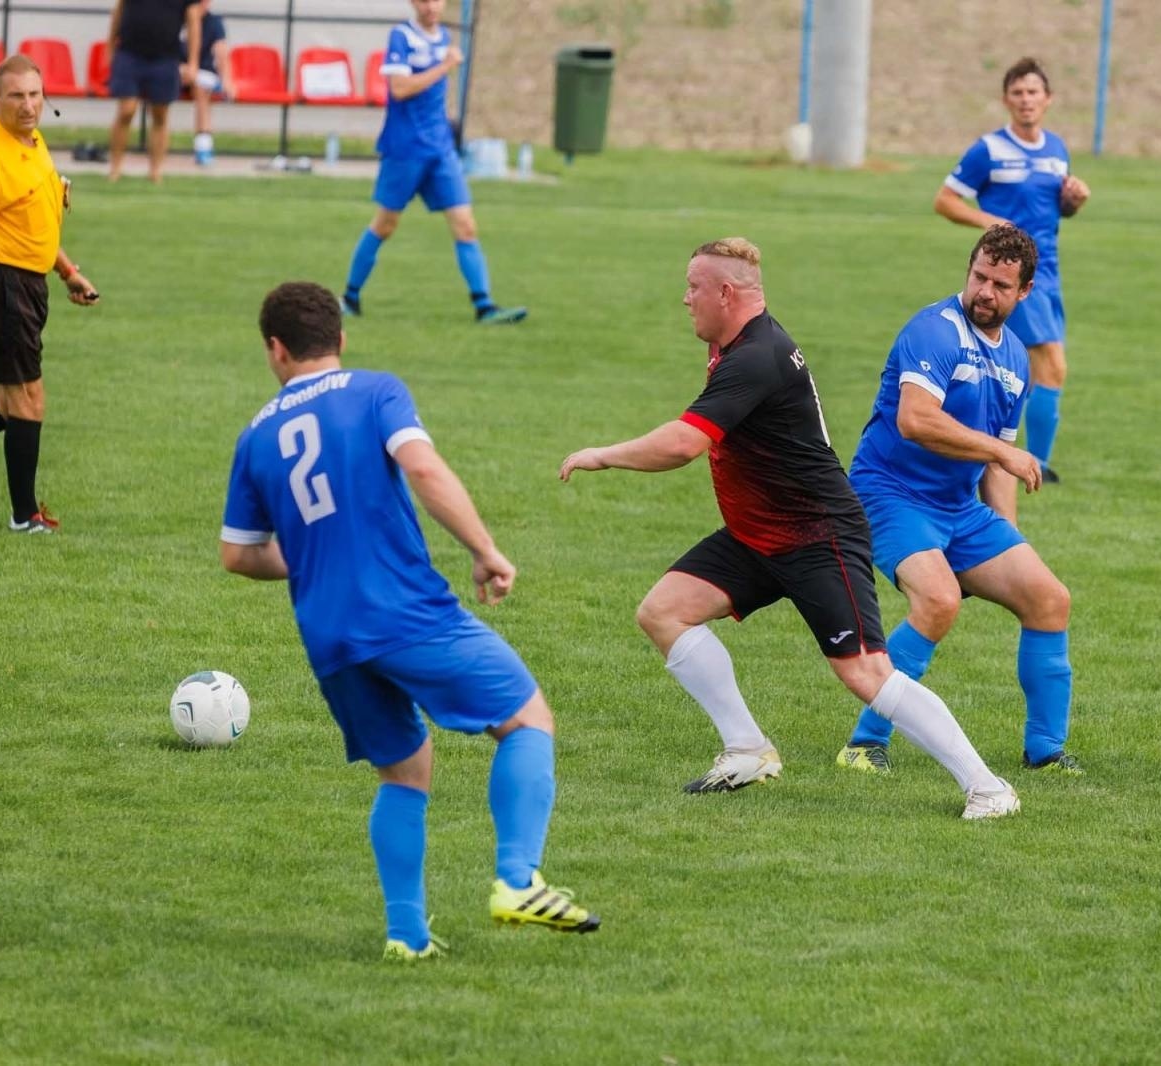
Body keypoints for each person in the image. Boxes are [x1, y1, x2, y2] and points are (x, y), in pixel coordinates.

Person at [559, 238, 1023, 820]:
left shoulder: (759, 356)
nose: (685, 299)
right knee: (663, 612)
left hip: (817, 535)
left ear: (726, 293)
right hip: (760, 533)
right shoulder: (736, 346)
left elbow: (684, 443)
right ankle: (748, 748)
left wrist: (603, 454)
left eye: (693, 288)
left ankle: (987, 787)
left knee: (866, 674)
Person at [219, 282, 598, 958]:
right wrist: (484, 550)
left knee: (405, 771)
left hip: (329, 634)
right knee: (527, 718)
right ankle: (517, 880)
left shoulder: (256, 436)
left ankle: (407, 936)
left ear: (275, 350)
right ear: (340, 339)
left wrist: (314, 555)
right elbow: (421, 466)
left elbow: (238, 555)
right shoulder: (373, 391)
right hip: (404, 610)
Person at [834, 225, 1079, 778]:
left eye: (1000, 284)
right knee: (940, 602)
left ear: (1025, 291)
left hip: (959, 509)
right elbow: (915, 420)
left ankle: (1045, 751)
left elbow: (999, 467)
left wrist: (1009, 538)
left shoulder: (1016, 359)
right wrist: (1001, 451)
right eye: (979, 277)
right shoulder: (934, 332)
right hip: (889, 494)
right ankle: (864, 743)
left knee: (1048, 598)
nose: (984, 292)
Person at [0, 55, 99, 534]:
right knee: (29, 398)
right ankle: (25, 515)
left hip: (28, 284)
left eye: (35, 94)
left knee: (10, 406)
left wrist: (68, 272)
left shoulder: (34, 141)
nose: (28, 105)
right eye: (16, 96)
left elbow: (39, 219)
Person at [935, 56, 1090, 484]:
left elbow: (1054, 210)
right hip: (1008, 272)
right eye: (1018, 93)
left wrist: (1072, 201)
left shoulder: (1057, 150)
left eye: (1033, 92)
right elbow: (945, 200)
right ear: (1006, 100)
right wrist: (988, 222)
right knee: (1051, 365)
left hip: (1048, 271)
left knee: (1008, 365)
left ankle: (994, 454)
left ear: (1048, 99)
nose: (1026, 100)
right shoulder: (989, 149)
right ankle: (1032, 464)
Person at [341, 0, 525, 324]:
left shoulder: (442, 38)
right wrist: (443, 66)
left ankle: (484, 306)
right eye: (424, 0)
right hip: (405, 148)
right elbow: (399, 89)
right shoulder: (402, 37)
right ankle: (350, 297)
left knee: (466, 226)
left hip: (440, 149)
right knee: (385, 224)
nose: (431, 6)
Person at [107, 0, 204, 183]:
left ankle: (156, 171)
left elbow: (193, 22)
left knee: (160, 115)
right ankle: (115, 168)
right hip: (129, 53)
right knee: (126, 110)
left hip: (165, 58)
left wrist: (193, 62)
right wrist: (110, 46)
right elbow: (118, 11)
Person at [178, 0, 234, 167]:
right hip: (176, 72)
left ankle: (203, 146)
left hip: (202, 74)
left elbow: (221, 52)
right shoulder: (176, 19)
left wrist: (227, 80)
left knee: (201, 88)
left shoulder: (214, 22)